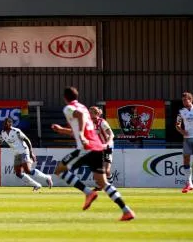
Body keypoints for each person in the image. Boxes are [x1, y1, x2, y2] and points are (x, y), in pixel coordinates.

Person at [51, 86, 134, 221]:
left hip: (85, 148)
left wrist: (82, 135)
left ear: (65, 98)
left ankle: (88, 193)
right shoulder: (83, 107)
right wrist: (61, 130)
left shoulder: (69, 108)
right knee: (103, 183)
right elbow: (79, 125)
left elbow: (80, 118)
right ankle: (127, 211)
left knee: (60, 170)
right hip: (98, 148)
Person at [0, 117, 52, 191]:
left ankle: (47, 177)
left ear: (10, 124)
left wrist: (31, 152)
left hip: (23, 151)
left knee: (28, 170)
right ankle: (37, 185)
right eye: (4, 123)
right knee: (18, 173)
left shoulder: (16, 131)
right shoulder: (2, 133)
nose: (4, 125)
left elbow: (27, 140)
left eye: (6, 123)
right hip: (16, 153)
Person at [89, 107, 114, 185]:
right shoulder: (89, 123)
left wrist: (106, 144)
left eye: (91, 113)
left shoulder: (102, 122)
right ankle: (102, 185)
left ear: (96, 114)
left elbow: (112, 134)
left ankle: (111, 185)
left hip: (107, 147)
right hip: (98, 148)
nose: (89, 114)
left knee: (107, 170)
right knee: (98, 170)